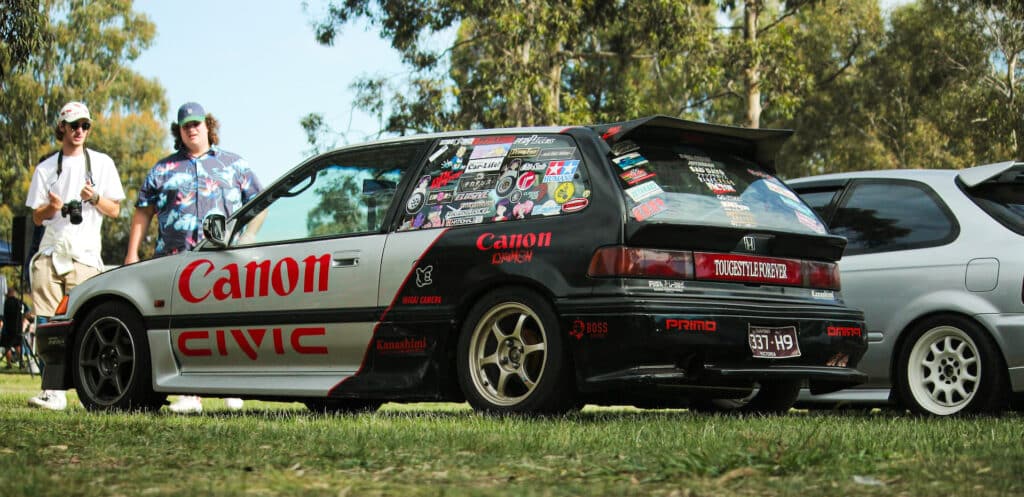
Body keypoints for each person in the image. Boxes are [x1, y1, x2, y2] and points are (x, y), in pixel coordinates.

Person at [125, 102, 262, 414]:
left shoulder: (234, 165)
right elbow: (142, 212)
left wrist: (250, 236)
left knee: (229, 325)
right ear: (179, 130)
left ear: (208, 125)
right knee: (183, 327)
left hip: (224, 260)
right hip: (176, 262)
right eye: (186, 125)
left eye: (197, 123)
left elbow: (260, 202)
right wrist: (132, 254)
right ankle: (188, 393)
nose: (192, 129)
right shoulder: (162, 170)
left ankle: (232, 388)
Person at [26, 101, 126, 410]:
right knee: (46, 322)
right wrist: (52, 209)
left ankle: (88, 389)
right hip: (50, 252)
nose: (79, 131)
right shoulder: (45, 168)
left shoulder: (102, 163)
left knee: (85, 323)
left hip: (85, 256)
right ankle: (52, 391)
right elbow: (35, 217)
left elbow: (116, 210)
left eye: (85, 126)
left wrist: (94, 198)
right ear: (62, 128)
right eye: (74, 126)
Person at [2, 287, 29, 368]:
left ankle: (9, 364)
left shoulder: (5, 303)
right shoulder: (20, 302)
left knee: (7, 347)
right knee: (18, 346)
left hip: (7, 328)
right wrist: (23, 320)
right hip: (18, 328)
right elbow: (27, 313)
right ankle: (21, 363)